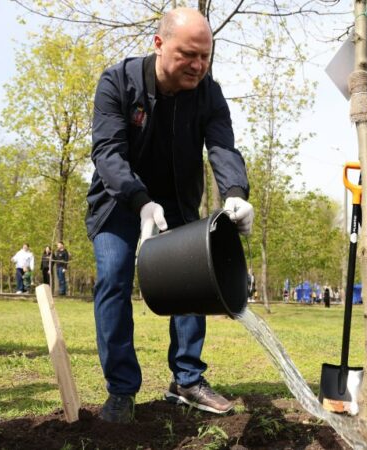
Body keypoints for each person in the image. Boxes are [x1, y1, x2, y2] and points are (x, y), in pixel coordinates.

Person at [86, 8, 253, 423]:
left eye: (205, 56)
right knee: (114, 277)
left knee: (194, 283)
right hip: (120, 202)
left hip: (178, 204)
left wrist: (234, 193)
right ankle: (122, 390)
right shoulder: (117, 83)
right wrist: (140, 200)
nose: (197, 65)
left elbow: (222, 148)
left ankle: (188, 380)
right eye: (187, 55)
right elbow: (108, 152)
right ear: (159, 44)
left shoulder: (208, 93)